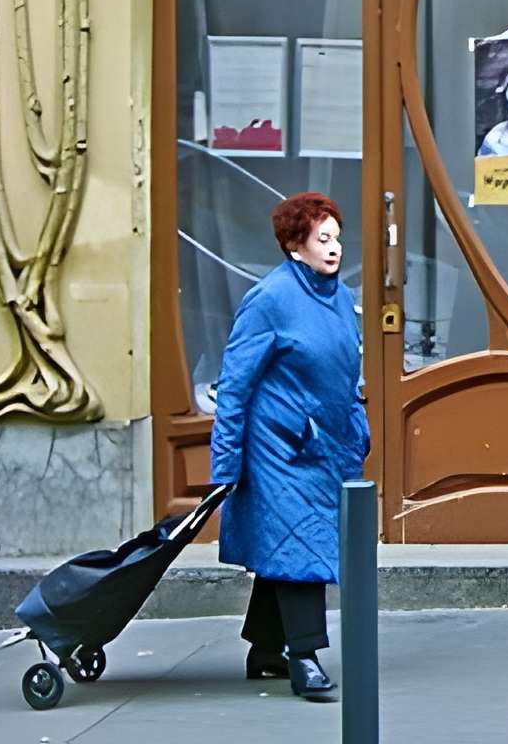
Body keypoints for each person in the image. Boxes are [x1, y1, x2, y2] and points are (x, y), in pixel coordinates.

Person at [207, 191, 369, 701]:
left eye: (337, 238)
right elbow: (234, 384)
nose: (335, 248)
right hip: (277, 447)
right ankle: (304, 658)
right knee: (302, 542)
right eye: (323, 239)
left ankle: (264, 651)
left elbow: (348, 371)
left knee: (289, 541)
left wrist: (358, 423)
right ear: (295, 244)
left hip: (323, 445)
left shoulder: (338, 296)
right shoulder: (271, 299)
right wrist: (227, 463)